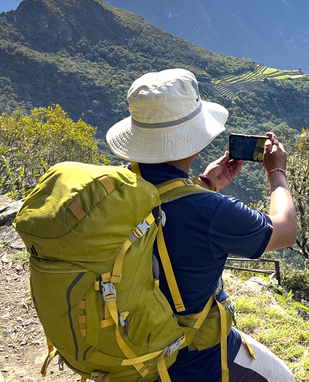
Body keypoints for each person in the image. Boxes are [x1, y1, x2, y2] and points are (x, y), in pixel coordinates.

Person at [105, 68, 297, 382]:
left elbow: (164, 214)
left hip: (130, 347)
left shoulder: (120, 187)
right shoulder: (210, 212)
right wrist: (277, 173)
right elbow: (285, 230)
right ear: (192, 140)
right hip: (191, 358)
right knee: (282, 378)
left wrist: (205, 183)